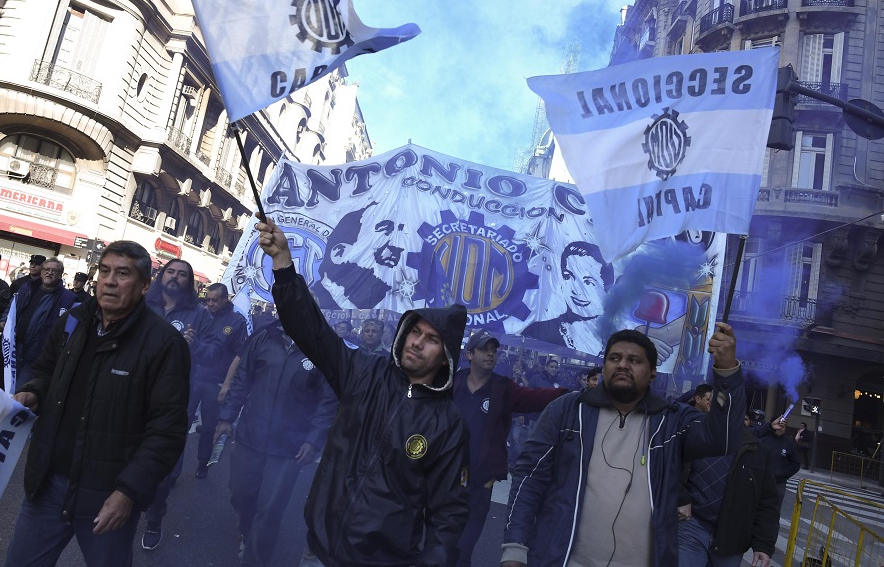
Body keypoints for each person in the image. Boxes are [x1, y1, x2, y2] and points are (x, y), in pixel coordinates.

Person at [255, 216, 470, 566]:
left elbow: (449, 512)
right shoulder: (364, 371)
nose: (417, 343)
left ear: (445, 357)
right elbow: (311, 330)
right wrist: (282, 263)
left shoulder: (448, 423)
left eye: (432, 340)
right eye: (415, 331)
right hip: (319, 546)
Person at [3, 240, 191, 566]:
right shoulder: (74, 321)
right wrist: (33, 391)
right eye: (104, 271)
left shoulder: (164, 344)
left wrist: (128, 492)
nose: (110, 281)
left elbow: (166, 431)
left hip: (107, 496)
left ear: (145, 285)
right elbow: (46, 370)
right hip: (48, 485)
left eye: (122, 274)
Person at [501, 324, 744, 567]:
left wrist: (727, 371)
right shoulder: (567, 410)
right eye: (614, 358)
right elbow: (529, 479)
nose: (622, 364)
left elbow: (723, 438)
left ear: (652, 373)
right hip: (562, 560)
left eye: (634, 360)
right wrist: (514, 548)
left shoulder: (672, 421)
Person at [215, 320, 336, 567]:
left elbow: (328, 399)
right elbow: (242, 379)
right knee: (240, 495)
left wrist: (314, 439)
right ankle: (247, 531)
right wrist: (226, 417)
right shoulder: (263, 338)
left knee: (270, 511)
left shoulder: (322, 347)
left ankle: (254, 560)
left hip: (288, 446)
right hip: (250, 436)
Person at [451, 330, 569, 567]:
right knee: (439, 543)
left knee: (463, 549)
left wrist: (572, 395)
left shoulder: (503, 388)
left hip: (479, 485)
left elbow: (535, 398)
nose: (491, 354)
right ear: (469, 354)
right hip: (446, 479)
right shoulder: (452, 383)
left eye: (494, 350)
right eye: (484, 349)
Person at [140, 258, 215, 550]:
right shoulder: (143, 304)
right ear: (160, 276)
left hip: (172, 398)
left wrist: (196, 345)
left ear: (189, 282)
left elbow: (215, 352)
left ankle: (154, 519)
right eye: (170, 272)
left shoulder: (199, 314)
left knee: (158, 465)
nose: (174, 277)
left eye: (182, 274)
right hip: (132, 393)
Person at [677, 385, 779, 567]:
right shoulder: (693, 434)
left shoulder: (756, 450)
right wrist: (681, 497)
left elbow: (767, 500)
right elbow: (669, 467)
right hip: (692, 527)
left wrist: (763, 544)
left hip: (732, 537)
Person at [523, 241, 615, 355]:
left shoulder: (616, 342)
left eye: (587, 282)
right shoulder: (538, 332)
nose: (576, 289)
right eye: (568, 276)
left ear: (607, 288)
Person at [309, 205, 408, 310]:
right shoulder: (310, 309)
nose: (398, 247)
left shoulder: (391, 315)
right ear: (340, 252)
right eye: (385, 231)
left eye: (400, 232)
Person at [195, 282, 247, 476]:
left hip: (215, 382)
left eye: (215, 300)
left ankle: (202, 463)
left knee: (209, 427)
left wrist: (227, 384)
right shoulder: (201, 315)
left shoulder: (236, 321)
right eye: (208, 300)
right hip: (195, 377)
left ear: (225, 300)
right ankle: (171, 471)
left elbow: (239, 355)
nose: (210, 304)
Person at [0, 257, 76, 390]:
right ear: (41, 272)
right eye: (47, 269)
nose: (50, 273)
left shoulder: (67, 298)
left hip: (37, 354)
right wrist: (3, 321)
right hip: (14, 348)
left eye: (54, 270)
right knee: (5, 385)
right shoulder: (27, 287)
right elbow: (13, 306)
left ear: (60, 275)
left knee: (19, 390)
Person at [759, 418, 803, 507]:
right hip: (760, 482)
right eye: (778, 425)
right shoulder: (762, 440)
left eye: (783, 426)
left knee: (773, 510)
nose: (780, 428)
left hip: (778, 483)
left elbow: (795, 464)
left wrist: (783, 473)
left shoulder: (790, 443)